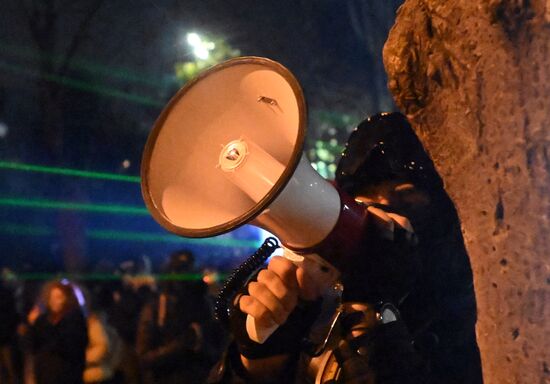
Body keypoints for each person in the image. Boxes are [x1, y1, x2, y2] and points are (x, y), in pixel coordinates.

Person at [208, 113, 483, 383]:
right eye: (363, 202)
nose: (381, 214)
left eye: (406, 198)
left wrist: (374, 312)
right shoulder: (321, 299)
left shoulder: (472, 305)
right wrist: (260, 362)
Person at [136, 250, 213, 384]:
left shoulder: (204, 304)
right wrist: (180, 345)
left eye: (189, 271)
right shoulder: (157, 307)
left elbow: (219, 350)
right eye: (179, 271)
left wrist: (200, 343)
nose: (184, 278)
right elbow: (144, 357)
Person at [25, 280, 89, 384]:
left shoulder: (74, 318)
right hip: (45, 375)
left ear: (67, 298)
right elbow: (33, 346)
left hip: (67, 376)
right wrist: (33, 325)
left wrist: (43, 326)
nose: (54, 301)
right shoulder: (44, 319)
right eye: (51, 298)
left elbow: (65, 346)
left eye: (58, 297)